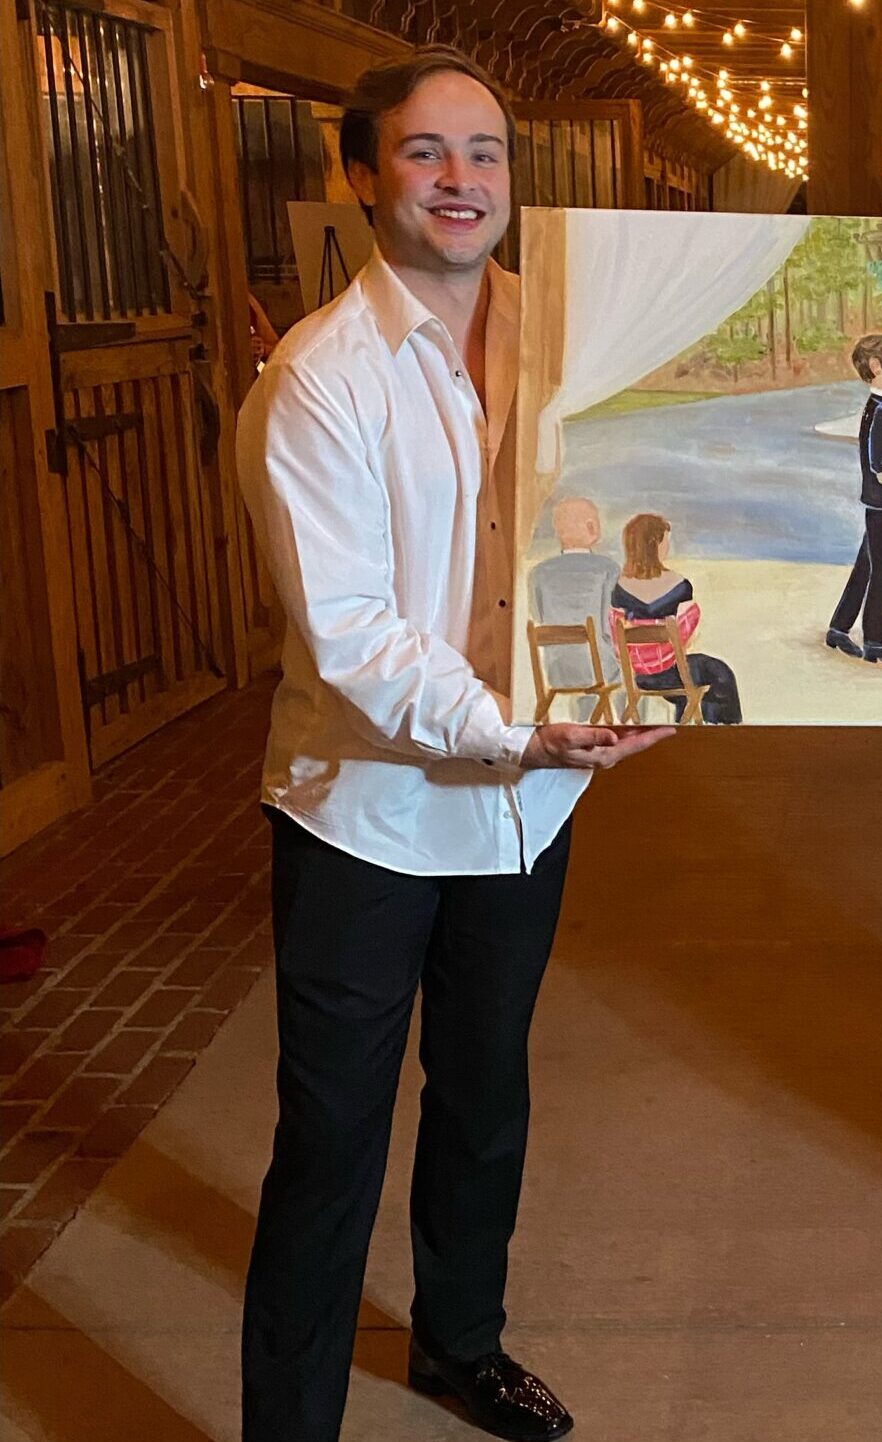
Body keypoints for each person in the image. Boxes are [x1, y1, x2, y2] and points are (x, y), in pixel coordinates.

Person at [235, 46, 670, 1442]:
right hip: (365, 810)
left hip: (521, 811)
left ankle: (459, 1342)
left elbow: (636, 528)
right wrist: (520, 728)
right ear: (363, 174)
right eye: (426, 152)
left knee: (486, 1094)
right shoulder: (318, 380)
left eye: (485, 152)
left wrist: (649, 682)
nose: (461, 179)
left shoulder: (567, 344)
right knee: (332, 1139)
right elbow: (355, 634)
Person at [825, 332, 882, 666]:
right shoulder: (880, 409)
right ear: (875, 367)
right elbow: (879, 465)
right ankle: (874, 641)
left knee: (867, 565)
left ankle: (838, 627)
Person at [610, 512, 743, 725]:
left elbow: (617, 643)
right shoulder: (679, 586)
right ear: (654, 545)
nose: (667, 548)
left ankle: (693, 725)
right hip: (673, 674)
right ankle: (723, 730)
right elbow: (683, 639)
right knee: (719, 672)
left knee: (695, 673)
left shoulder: (619, 589)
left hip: (640, 678)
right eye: (664, 542)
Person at [529, 496, 622, 720]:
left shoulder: (538, 573)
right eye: (594, 522)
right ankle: (624, 724)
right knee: (628, 671)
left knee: (594, 663)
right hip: (598, 668)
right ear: (591, 528)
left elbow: (538, 615)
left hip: (557, 671)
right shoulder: (608, 569)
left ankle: (583, 722)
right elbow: (611, 622)